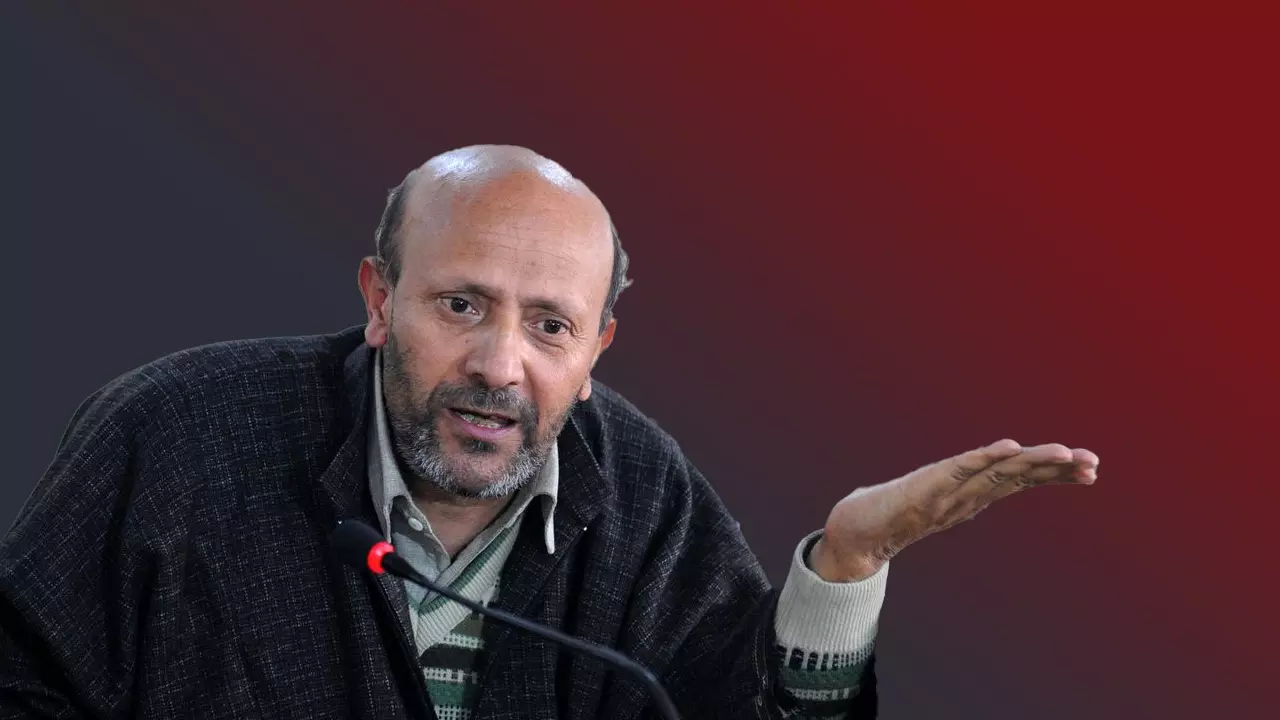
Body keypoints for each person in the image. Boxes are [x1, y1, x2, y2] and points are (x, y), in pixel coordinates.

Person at [0, 145, 1099, 720]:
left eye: (549, 326)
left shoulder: (641, 491)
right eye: (460, 305)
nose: (499, 364)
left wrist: (844, 568)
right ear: (380, 300)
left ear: (596, 349)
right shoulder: (175, 434)